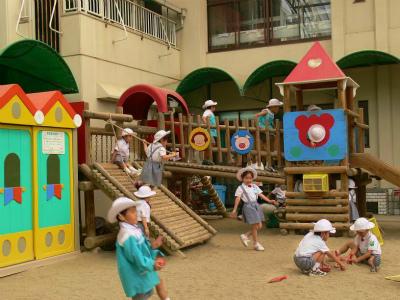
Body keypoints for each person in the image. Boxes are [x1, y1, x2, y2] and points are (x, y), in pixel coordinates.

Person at [107, 197, 170, 300]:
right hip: (136, 273)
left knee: (158, 281)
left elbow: (142, 247)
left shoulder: (133, 229)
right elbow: (136, 257)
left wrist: (153, 245)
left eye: (135, 211)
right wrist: (152, 264)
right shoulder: (127, 235)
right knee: (141, 295)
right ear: (121, 217)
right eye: (132, 212)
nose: (136, 214)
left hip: (143, 269)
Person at [230, 167, 278, 251]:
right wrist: (234, 210)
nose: (248, 180)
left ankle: (245, 236)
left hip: (256, 205)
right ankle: (256, 244)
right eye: (246, 178)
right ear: (242, 178)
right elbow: (237, 198)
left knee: (259, 225)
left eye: (250, 178)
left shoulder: (255, 186)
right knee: (255, 225)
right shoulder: (240, 188)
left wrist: (269, 200)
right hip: (248, 207)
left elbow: (261, 195)